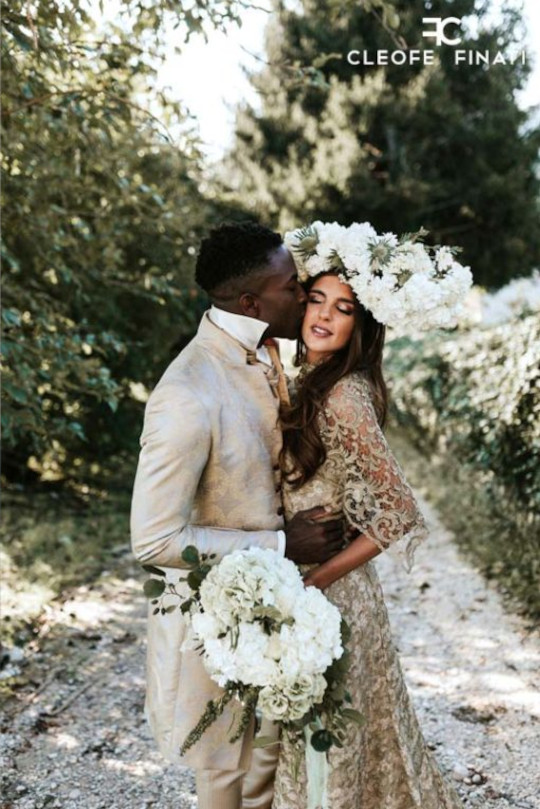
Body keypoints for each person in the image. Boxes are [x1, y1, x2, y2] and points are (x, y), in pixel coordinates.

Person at [130, 222, 345, 809]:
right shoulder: (187, 393)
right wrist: (280, 545)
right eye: (291, 285)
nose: (303, 294)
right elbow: (153, 539)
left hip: (283, 618)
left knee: (271, 772)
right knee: (226, 777)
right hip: (217, 626)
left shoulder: (274, 348)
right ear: (251, 302)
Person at [273, 271, 463, 809]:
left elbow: (399, 512)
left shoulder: (344, 397)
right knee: (318, 744)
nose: (324, 316)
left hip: (334, 596)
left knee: (334, 749)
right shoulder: (306, 379)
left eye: (344, 308)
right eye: (316, 300)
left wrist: (317, 578)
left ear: (362, 324)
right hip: (305, 586)